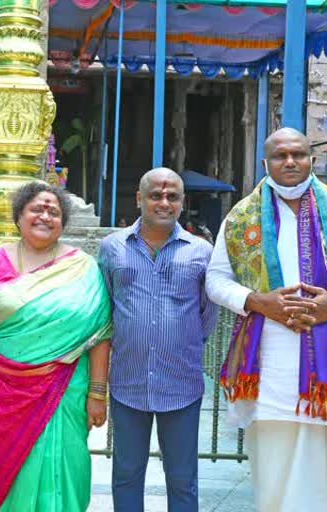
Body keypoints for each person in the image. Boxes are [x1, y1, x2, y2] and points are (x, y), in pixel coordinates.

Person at [206, 127, 327, 512]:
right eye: (280, 155)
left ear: (312, 159)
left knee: (322, 468)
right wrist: (256, 301)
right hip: (268, 367)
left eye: (299, 154)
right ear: (265, 163)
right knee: (272, 468)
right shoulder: (241, 218)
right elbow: (215, 280)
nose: (290, 162)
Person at [0, 181, 112, 512]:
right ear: (18, 216)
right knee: (1, 476)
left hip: (64, 390)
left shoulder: (83, 268)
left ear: (62, 222)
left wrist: (97, 394)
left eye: (53, 211)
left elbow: (100, 334)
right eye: (36, 209)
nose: (45, 216)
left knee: (64, 469)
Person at [99, 168, 218, 512]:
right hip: (127, 383)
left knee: (182, 479)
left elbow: (207, 314)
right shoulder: (112, 247)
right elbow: (106, 307)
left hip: (181, 384)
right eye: (155, 195)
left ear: (182, 202)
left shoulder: (201, 251)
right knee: (126, 474)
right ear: (139, 199)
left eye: (172, 197)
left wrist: (181, 340)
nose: (163, 202)